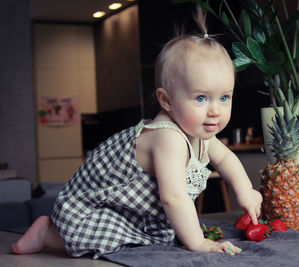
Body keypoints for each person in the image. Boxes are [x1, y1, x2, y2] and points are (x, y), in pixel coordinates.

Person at [11, 7, 262, 259]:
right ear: (166, 100)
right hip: (99, 206)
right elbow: (173, 197)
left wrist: (245, 190)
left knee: (150, 238)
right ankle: (48, 234)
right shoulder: (168, 136)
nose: (215, 110)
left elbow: (226, 159)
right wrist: (198, 243)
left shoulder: (199, 132)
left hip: (135, 214)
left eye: (224, 97)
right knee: (100, 237)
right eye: (200, 98)